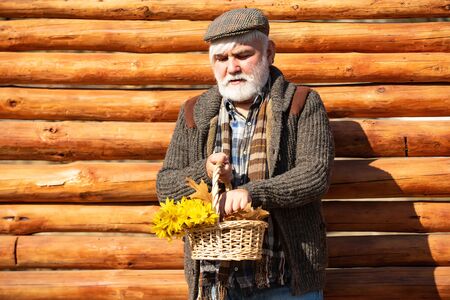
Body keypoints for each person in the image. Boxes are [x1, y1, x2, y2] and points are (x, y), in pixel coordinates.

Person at [156, 8, 334, 300]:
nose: (232, 67)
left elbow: (315, 175)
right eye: (221, 59)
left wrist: (253, 193)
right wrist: (206, 171)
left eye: (242, 55)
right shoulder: (194, 112)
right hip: (214, 283)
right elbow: (165, 187)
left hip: (286, 280)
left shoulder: (300, 102)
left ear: (269, 52)